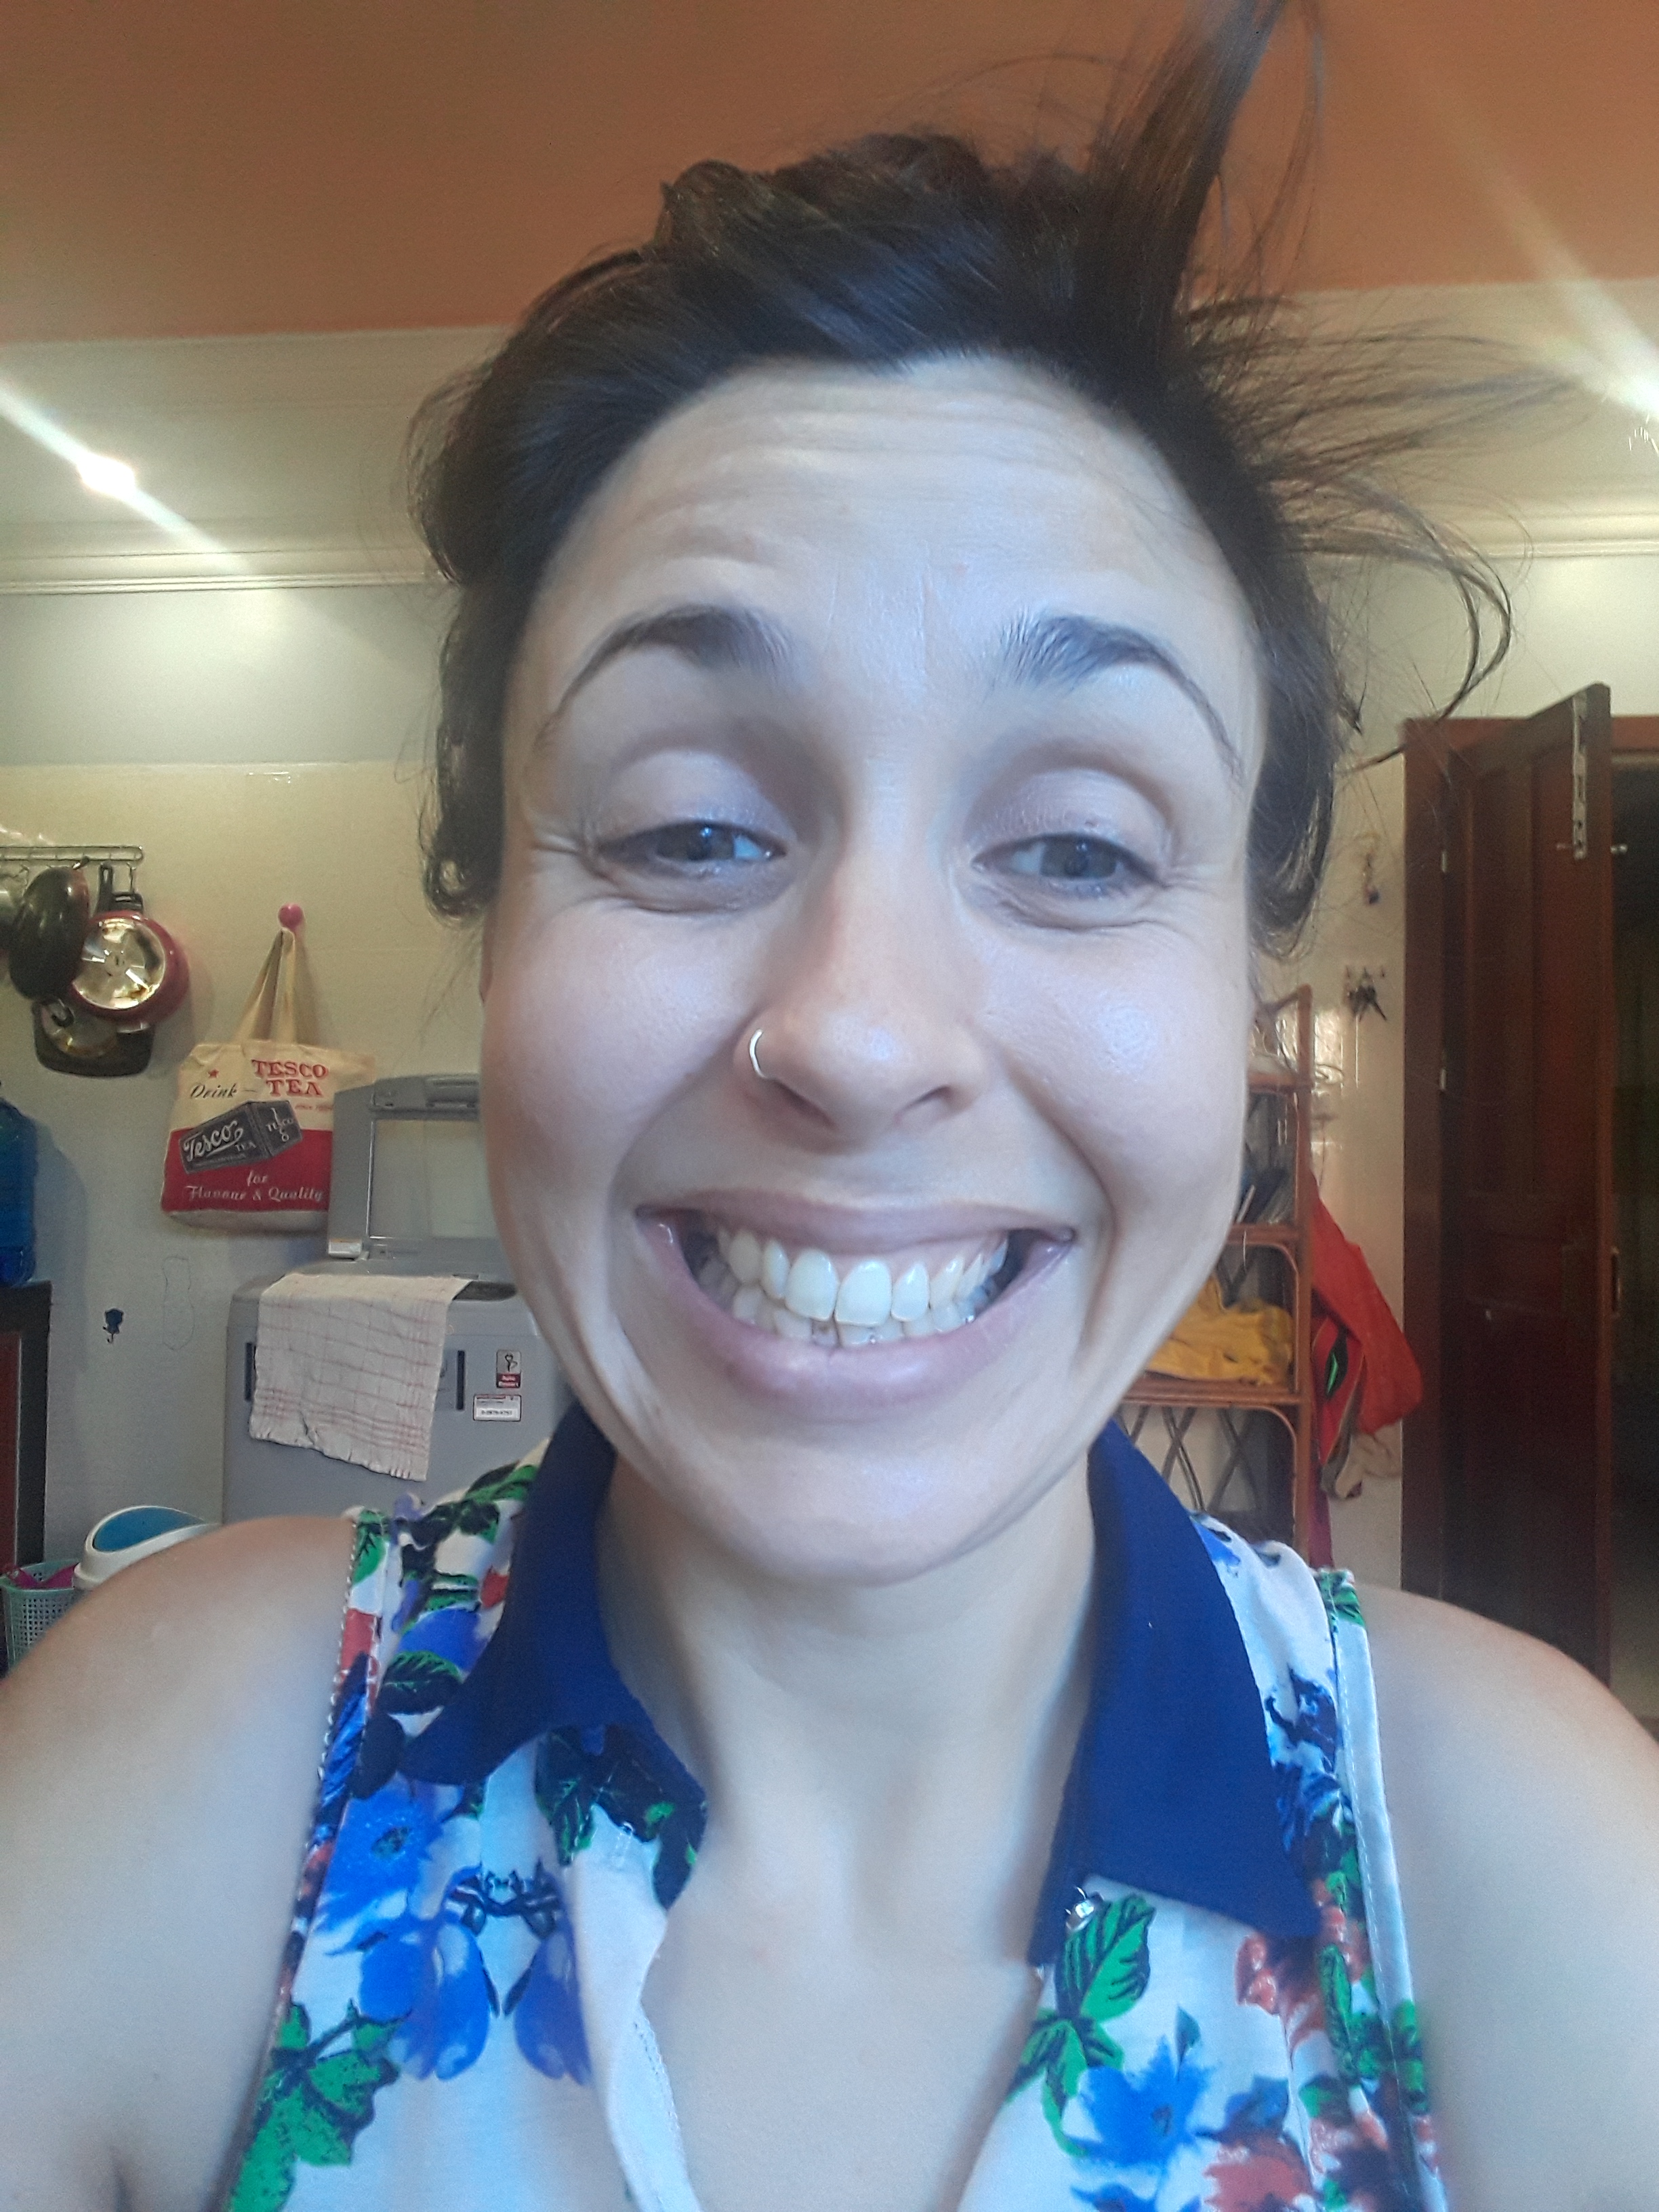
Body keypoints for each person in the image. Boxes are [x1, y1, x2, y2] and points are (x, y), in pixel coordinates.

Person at [5, 5, 1658, 2208]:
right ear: (496, 929)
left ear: (1241, 982)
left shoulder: (1529, 1872)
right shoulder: (161, 1794)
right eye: (691, 830)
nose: (863, 1036)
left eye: (1077, 849)